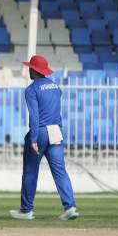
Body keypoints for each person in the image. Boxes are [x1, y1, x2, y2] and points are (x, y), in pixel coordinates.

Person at [9, 55, 79, 221]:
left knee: (31, 171)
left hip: (40, 132)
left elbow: (34, 116)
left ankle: (26, 210)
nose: (28, 70)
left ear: (34, 70)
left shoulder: (31, 89)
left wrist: (33, 139)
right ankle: (69, 206)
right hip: (56, 130)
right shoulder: (55, 86)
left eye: (30, 68)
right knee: (60, 170)